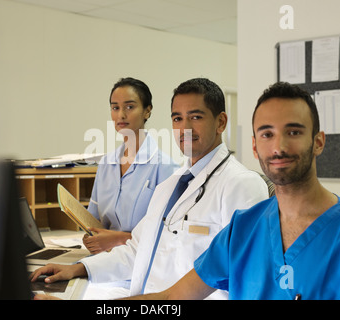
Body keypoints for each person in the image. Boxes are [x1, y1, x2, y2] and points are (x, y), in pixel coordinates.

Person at [30, 78, 269, 300]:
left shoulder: (242, 185)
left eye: (195, 117)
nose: (185, 128)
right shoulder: (171, 186)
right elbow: (136, 250)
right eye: (177, 119)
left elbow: (246, 280)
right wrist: (78, 268)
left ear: (221, 122)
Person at [128, 82, 340, 300]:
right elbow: (172, 296)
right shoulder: (242, 228)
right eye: (267, 134)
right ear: (255, 147)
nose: (278, 147)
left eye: (293, 132)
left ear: (318, 142)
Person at [84, 77, 178, 254]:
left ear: (147, 111)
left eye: (130, 107)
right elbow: (93, 220)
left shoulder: (165, 167)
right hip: (103, 259)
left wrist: (119, 239)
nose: (121, 115)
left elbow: (168, 234)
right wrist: (90, 235)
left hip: (142, 263)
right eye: (115, 107)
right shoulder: (106, 164)